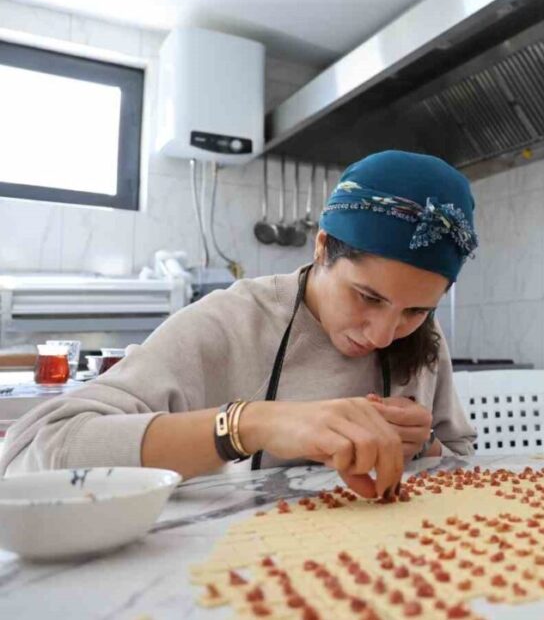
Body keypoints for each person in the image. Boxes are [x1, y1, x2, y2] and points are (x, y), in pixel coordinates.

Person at [0, 151, 479, 499]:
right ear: (322, 247)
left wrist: (426, 446)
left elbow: (461, 458)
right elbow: (33, 456)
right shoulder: (230, 323)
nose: (381, 334)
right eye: (367, 296)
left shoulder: (424, 341)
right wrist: (249, 424)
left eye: (416, 311)